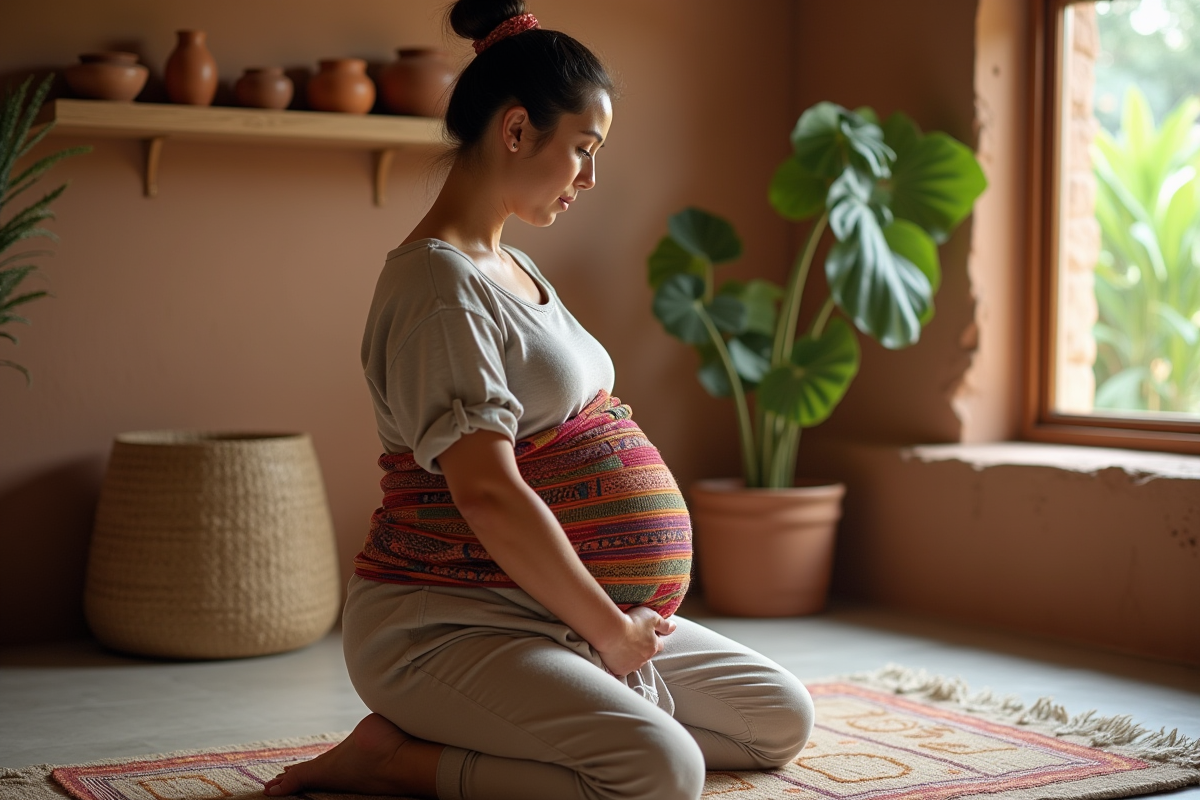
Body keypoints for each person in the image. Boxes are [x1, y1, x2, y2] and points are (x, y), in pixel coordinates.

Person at [263, 2, 813, 798]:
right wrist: (611, 632)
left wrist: (611, 623)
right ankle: (396, 759)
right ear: (517, 131)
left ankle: (558, 715)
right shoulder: (438, 286)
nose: (590, 178)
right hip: (448, 621)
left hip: (557, 613)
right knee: (664, 774)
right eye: (583, 149)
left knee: (777, 719)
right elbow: (485, 491)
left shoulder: (511, 266)